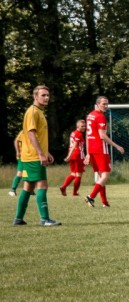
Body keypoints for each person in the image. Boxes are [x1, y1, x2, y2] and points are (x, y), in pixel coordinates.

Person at [12, 85, 60, 226]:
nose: (46, 98)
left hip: (31, 156)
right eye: (43, 95)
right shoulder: (33, 112)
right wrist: (40, 153)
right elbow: (31, 134)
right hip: (33, 156)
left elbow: (37, 136)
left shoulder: (38, 112)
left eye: (47, 95)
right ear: (35, 96)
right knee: (42, 185)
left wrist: (46, 152)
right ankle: (45, 219)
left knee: (28, 187)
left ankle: (18, 219)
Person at [84, 96, 125, 208]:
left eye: (107, 104)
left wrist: (88, 152)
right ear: (97, 104)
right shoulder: (100, 117)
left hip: (92, 148)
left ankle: (105, 203)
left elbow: (87, 135)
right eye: (103, 104)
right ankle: (91, 196)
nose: (106, 106)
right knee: (105, 174)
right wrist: (117, 146)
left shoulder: (90, 115)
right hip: (100, 148)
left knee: (101, 176)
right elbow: (102, 135)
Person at [59, 119, 86, 196]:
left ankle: (64, 187)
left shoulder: (73, 133)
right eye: (82, 126)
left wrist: (70, 155)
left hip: (73, 155)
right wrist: (68, 156)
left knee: (73, 173)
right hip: (78, 155)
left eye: (84, 126)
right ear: (77, 126)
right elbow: (75, 146)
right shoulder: (79, 134)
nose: (84, 127)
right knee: (78, 175)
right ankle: (74, 192)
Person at [8, 131, 25, 197]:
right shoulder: (24, 131)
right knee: (20, 173)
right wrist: (18, 151)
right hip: (22, 156)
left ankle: (30, 190)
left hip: (28, 156)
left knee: (28, 173)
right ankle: (12, 190)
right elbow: (16, 141)